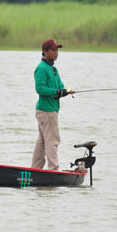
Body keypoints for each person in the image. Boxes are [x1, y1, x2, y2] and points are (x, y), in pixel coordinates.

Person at [32, 39, 73, 170]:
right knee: (53, 141)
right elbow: (40, 89)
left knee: (43, 142)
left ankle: (36, 169)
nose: (56, 53)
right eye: (53, 50)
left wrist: (64, 91)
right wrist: (56, 92)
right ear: (45, 52)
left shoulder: (53, 68)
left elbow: (60, 86)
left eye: (57, 50)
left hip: (50, 110)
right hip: (46, 111)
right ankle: (53, 170)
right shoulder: (41, 68)